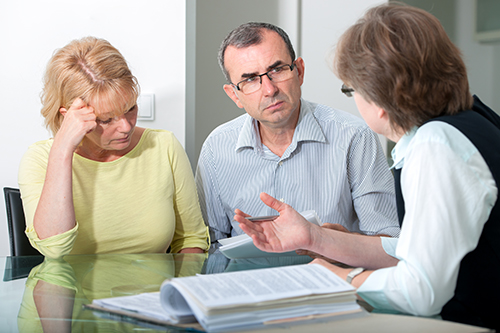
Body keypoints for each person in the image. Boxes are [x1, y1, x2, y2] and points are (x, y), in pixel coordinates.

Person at [235, 4, 500, 329]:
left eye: (352, 89)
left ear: (380, 97)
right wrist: (314, 237)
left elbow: (421, 292)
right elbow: (416, 248)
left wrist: (340, 278)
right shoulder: (470, 119)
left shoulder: (435, 147)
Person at [196, 22, 400, 248]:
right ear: (235, 95)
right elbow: (210, 245)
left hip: (334, 278)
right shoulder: (216, 149)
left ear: (299, 71)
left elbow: (391, 242)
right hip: (249, 280)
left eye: (277, 70)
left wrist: (336, 241)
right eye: (250, 79)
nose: (269, 90)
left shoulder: (354, 137)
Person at [18, 37, 209, 259]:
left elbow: (191, 239)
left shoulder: (164, 146)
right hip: (73, 294)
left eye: (130, 108)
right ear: (69, 117)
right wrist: (62, 149)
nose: (126, 126)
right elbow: (54, 248)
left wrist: (180, 291)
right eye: (107, 120)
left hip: (153, 292)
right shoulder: (39, 159)